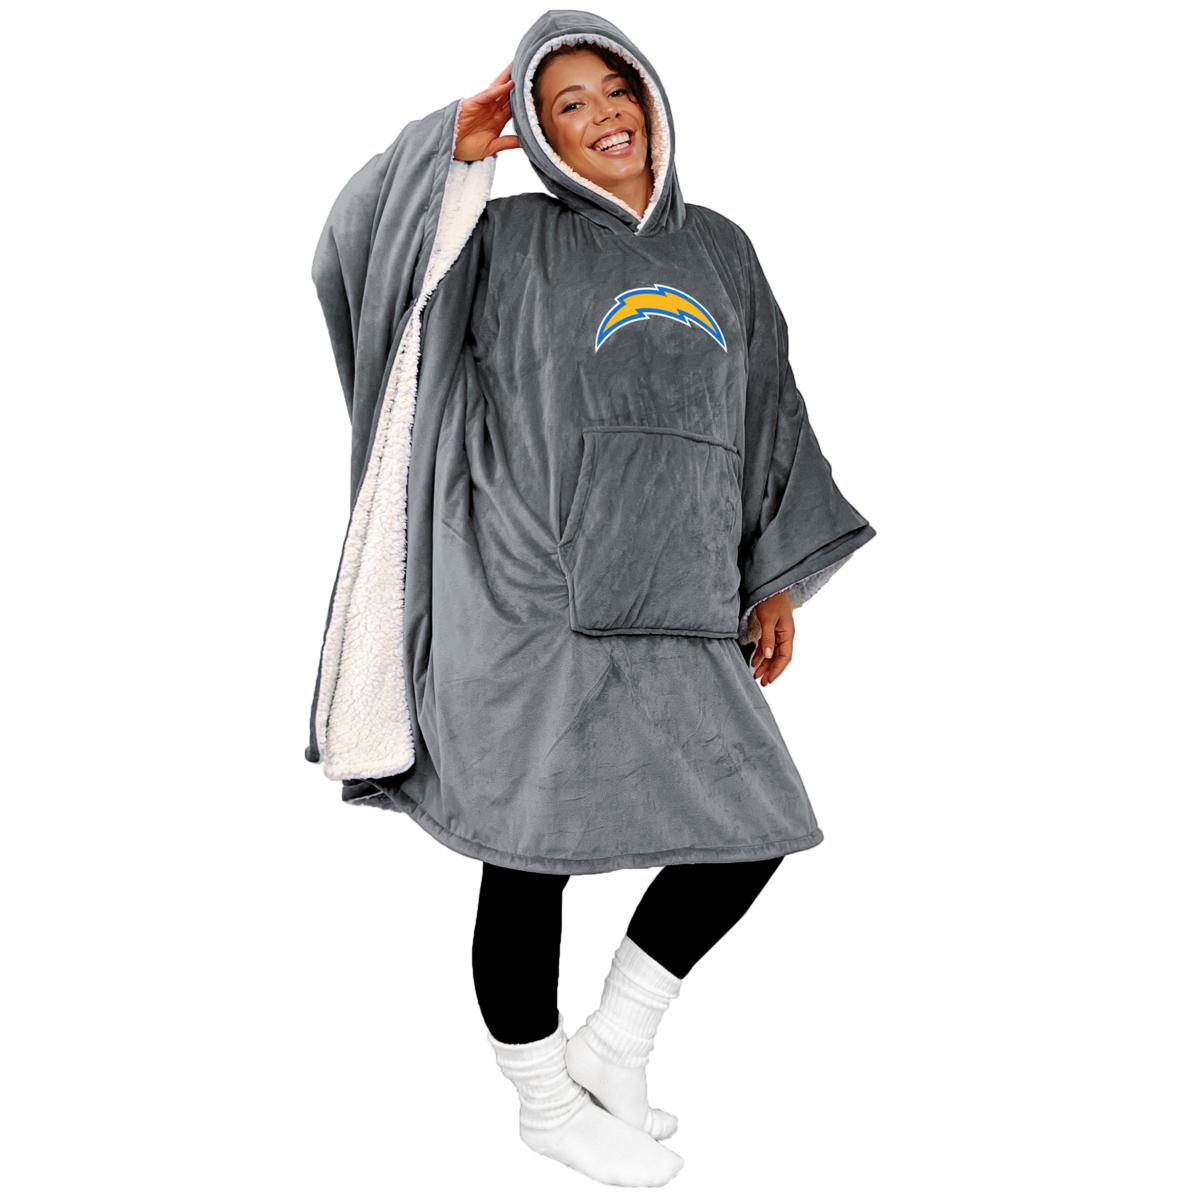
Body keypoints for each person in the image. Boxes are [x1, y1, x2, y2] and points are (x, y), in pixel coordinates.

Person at [305, 8, 875, 1188]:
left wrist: (773, 581)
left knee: (756, 826)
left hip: (682, 598)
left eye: (616, 89)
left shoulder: (721, 248)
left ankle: (614, 1046)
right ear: (539, 131)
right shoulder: (504, 237)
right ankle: (543, 1101)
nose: (605, 115)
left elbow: (769, 410)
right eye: (567, 103)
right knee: (532, 854)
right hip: (530, 600)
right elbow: (364, 257)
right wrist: (450, 146)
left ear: (651, 100)